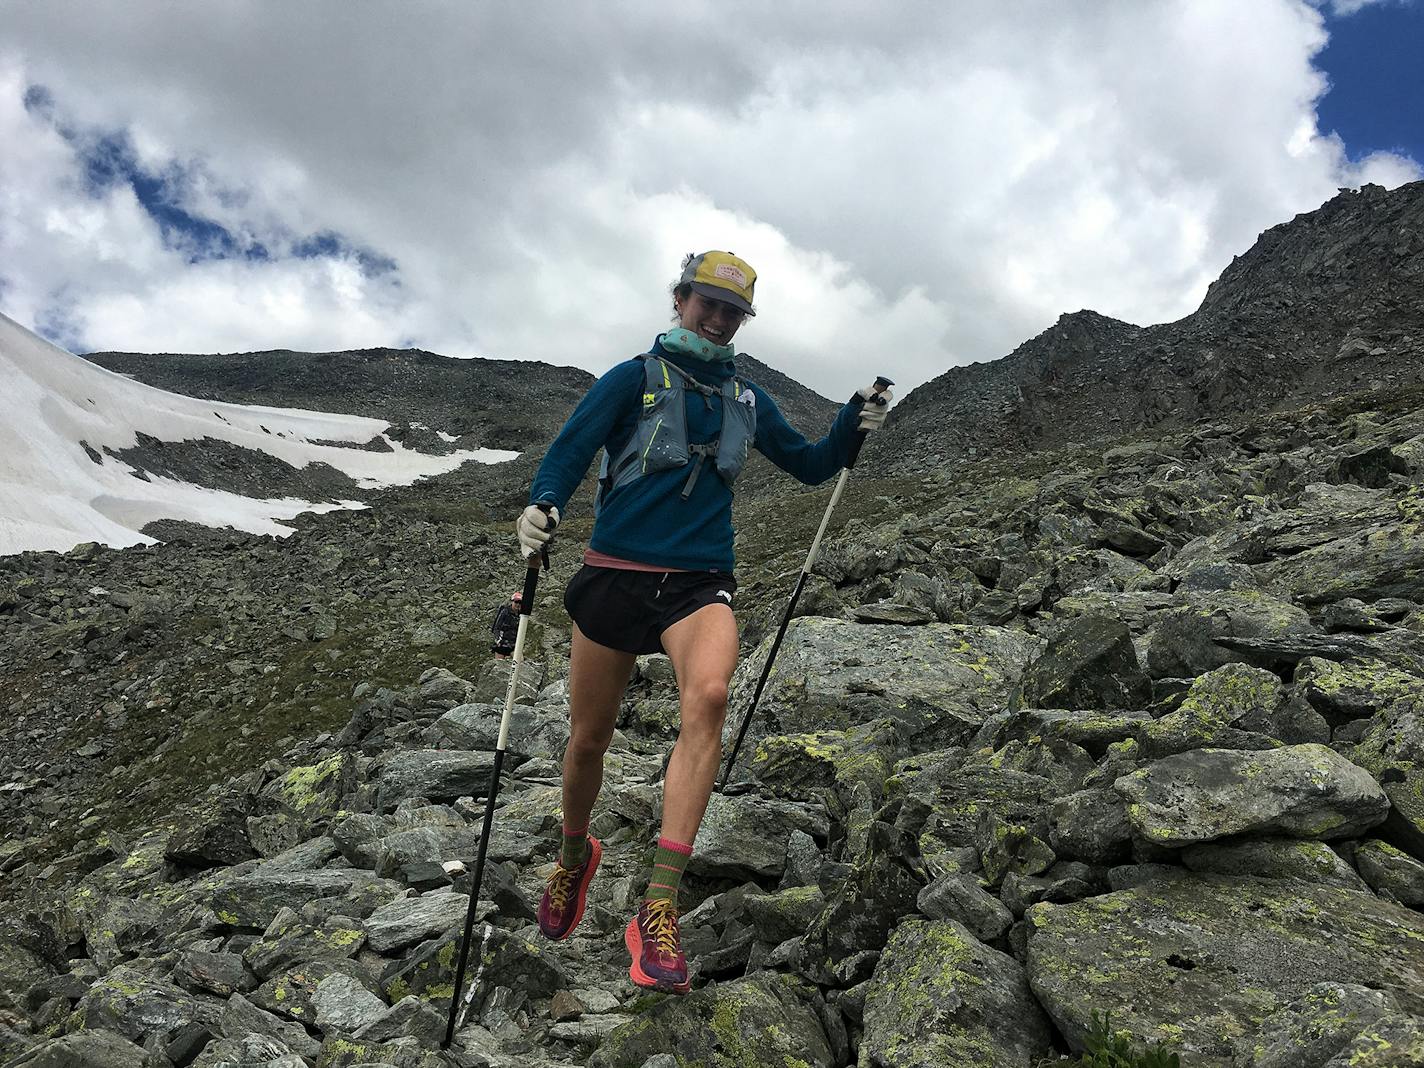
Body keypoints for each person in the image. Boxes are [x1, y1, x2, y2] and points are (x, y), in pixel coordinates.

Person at [514, 250, 890, 994]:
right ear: (680, 300)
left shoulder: (747, 399)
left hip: (699, 581)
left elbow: (813, 465)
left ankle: (658, 905)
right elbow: (571, 448)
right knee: (588, 738)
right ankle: (573, 855)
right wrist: (544, 503)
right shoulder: (631, 377)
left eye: (732, 311)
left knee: (710, 697)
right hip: (615, 575)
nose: (718, 319)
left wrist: (853, 424)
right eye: (706, 304)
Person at [490, 592, 521, 658]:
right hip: (502, 644)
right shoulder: (505, 611)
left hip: (514, 645)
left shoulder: (521, 615)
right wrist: (497, 640)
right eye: (516, 602)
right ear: (512, 602)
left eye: (520, 602)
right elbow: (497, 627)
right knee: (500, 665)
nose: (518, 604)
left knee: (519, 661)